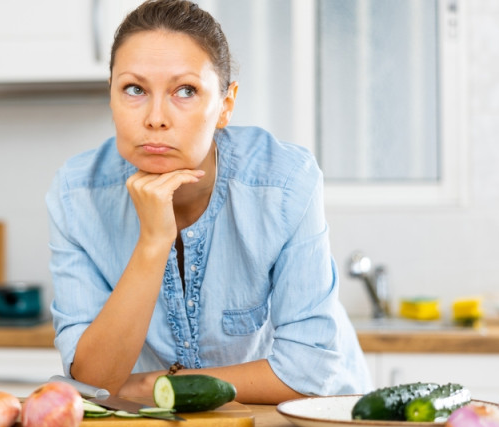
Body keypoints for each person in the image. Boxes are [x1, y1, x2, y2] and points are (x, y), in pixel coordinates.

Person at [46, 0, 371, 404]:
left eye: (185, 91)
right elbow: (94, 380)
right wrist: (153, 242)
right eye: (134, 89)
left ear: (225, 105)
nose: (156, 118)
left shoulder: (285, 183)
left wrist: (150, 386)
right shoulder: (76, 195)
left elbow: (308, 373)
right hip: (167, 425)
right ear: (111, 95)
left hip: (308, 420)